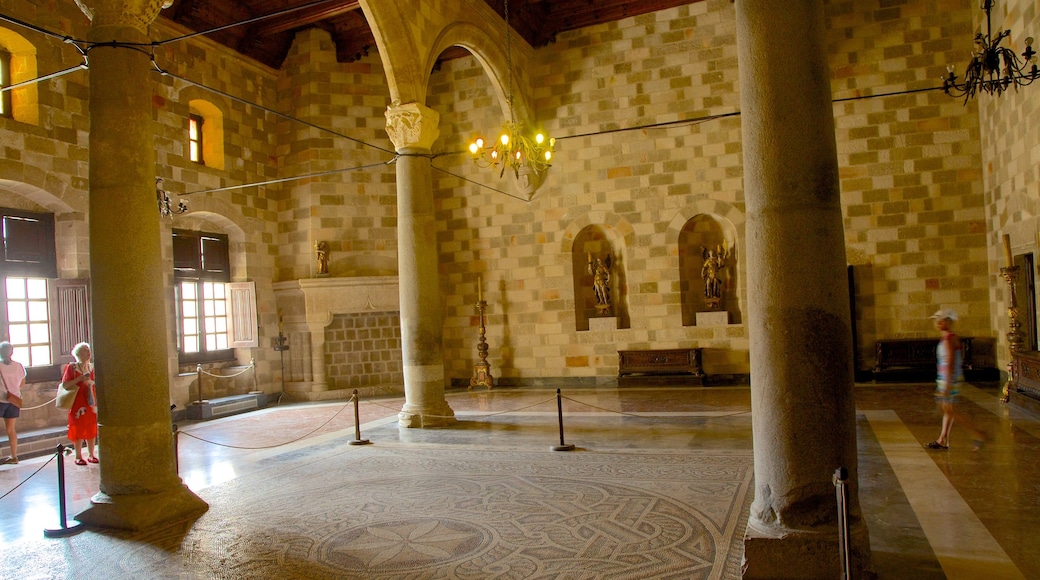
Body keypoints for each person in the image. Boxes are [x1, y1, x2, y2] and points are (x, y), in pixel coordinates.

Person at [925, 309, 986, 451]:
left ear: (947, 322)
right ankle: (943, 439)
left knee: (949, 409)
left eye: (940, 320)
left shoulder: (949, 338)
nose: (937, 323)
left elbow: (951, 362)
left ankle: (977, 434)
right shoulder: (949, 337)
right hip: (947, 377)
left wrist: (947, 385)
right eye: (936, 321)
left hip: (949, 378)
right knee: (947, 409)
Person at [61, 342, 98, 465]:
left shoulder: (91, 367)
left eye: (88, 351)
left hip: (90, 401)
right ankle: (78, 455)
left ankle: (91, 454)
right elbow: (65, 384)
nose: (87, 354)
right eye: (84, 351)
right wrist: (80, 379)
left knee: (91, 426)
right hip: (77, 401)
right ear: (78, 354)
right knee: (78, 427)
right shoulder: (72, 367)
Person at [0, 341, 25, 465]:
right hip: (14, 399)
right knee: (11, 430)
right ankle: (14, 456)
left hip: (0, 399)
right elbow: (22, 382)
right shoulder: (18, 366)